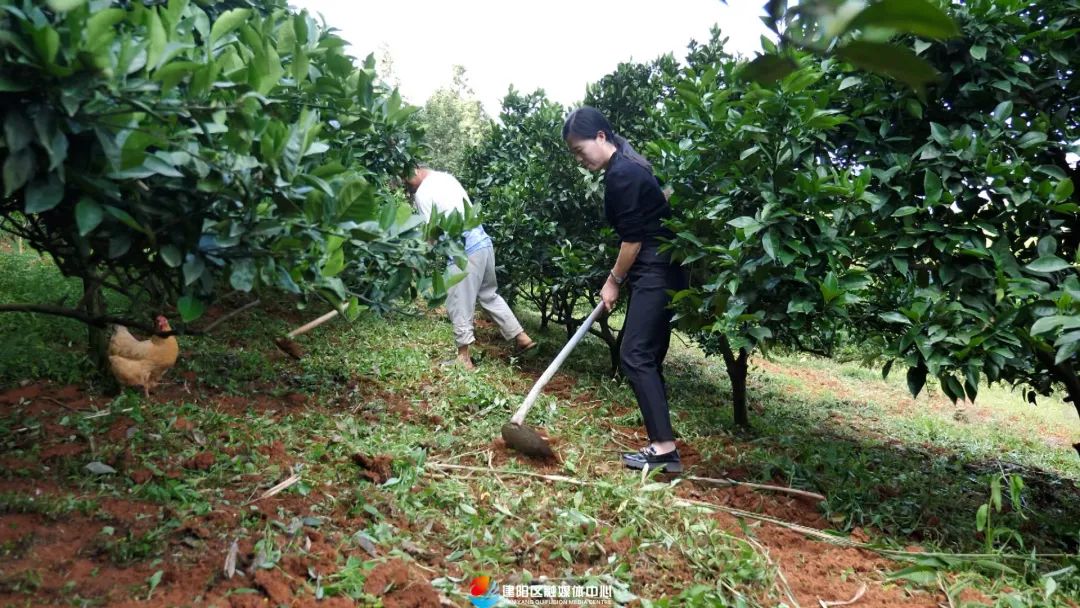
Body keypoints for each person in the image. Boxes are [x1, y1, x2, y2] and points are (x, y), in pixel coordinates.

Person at [563, 107, 687, 473]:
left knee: (634, 354)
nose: (579, 159)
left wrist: (613, 280)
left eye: (579, 149)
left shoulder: (622, 174)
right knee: (646, 354)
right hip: (665, 269)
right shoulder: (632, 165)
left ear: (601, 136)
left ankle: (664, 449)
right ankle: (663, 444)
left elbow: (632, 239)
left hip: (655, 269)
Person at [405, 166, 536, 369]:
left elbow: (430, 234)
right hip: (483, 243)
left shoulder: (422, 193)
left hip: (464, 251)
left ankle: (463, 358)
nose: (406, 185)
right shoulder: (445, 177)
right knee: (489, 295)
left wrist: (416, 262)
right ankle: (521, 336)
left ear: (415, 169)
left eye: (405, 178)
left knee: (457, 300)